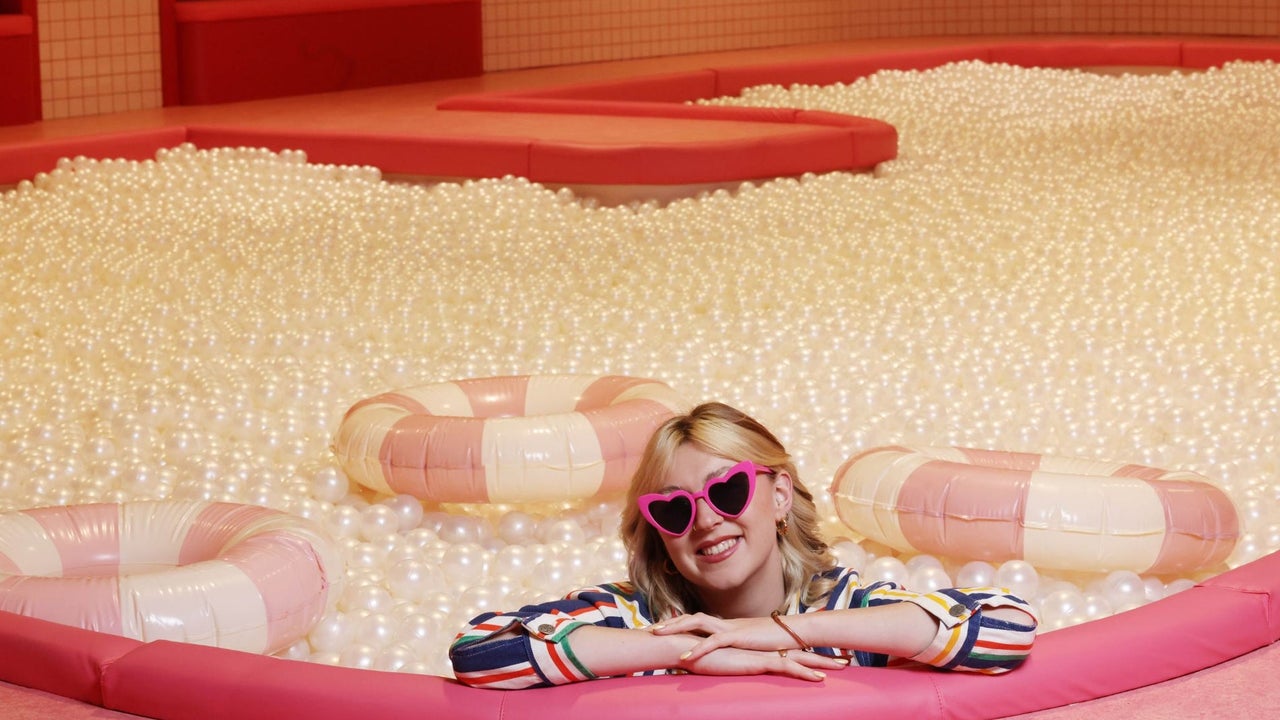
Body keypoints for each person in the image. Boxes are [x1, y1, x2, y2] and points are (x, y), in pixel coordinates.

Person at [450, 402, 1037, 689]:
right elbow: (478, 652)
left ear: (779, 495)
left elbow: (1008, 629)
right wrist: (689, 653)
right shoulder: (635, 620)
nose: (705, 520)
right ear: (656, 527)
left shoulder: (846, 609)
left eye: (727, 491)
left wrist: (789, 632)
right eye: (674, 508)